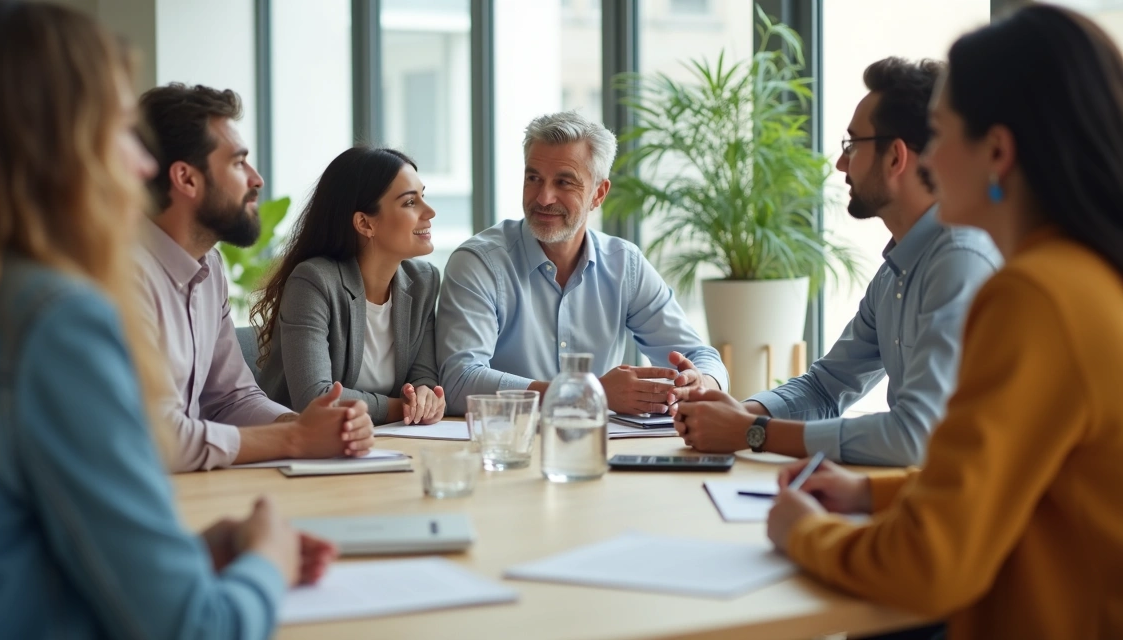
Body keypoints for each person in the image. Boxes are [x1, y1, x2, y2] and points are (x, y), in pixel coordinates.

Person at [0, 2, 335, 638]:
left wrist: (188, 556)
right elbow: (192, 628)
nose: (140, 167)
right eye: (116, 131)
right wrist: (267, 560)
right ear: (48, 147)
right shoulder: (53, 318)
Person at [767, 6, 1123, 639]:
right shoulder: (1085, 278)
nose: (926, 157)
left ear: (996, 151)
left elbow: (931, 562)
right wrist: (869, 496)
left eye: (940, 132)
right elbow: (1023, 485)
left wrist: (804, 532)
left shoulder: (1034, 296)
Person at [674, 58, 1000, 467]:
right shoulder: (893, 275)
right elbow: (827, 388)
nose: (840, 163)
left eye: (852, 145)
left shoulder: (960, 262)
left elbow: (916, 435)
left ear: (896, 157)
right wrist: (745, 413)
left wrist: (752, 433)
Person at [137, 83, 373, 471]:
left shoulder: (208, 267)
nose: (256, 178)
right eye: (237, 163)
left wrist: (307, 426)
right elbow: (154, 437)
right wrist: (295, 438)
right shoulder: (122, 276)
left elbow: (231, 398)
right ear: (186, 179)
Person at [437, 111, 729, 416]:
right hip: (507, 451)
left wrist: (698, 383)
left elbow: (701, 356)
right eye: (533, 178)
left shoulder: (624, 265)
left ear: (598, 194)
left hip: (599, 451)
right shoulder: (479, 263)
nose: (544, 197)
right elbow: (459, 382)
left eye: (564, 182)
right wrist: (589, 393)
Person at [254, 146, 445, 426]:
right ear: (365, 223)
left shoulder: (423, 281)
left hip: (382, 443)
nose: (429, 212)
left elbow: (423, 377)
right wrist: (404, 408)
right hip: (298, 449)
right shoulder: (313, 282)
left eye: (423, 197)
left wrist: (427, 397)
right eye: (409, 203)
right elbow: (315, 398)